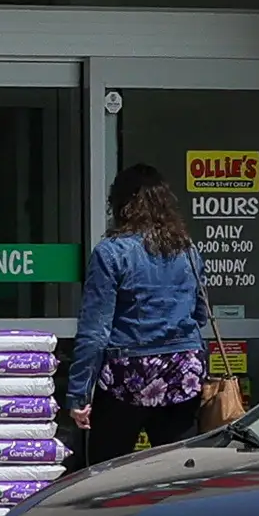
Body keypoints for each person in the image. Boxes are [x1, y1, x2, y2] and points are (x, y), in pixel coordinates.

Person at [63, 166, 213, 463]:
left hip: (127, 376)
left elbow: (95, 331)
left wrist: (79, 394)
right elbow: (200, 314)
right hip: (182, 373)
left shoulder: (110, 252)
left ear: (119, 204)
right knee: (179, 473)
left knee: (108, 473)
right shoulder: (187, 250)